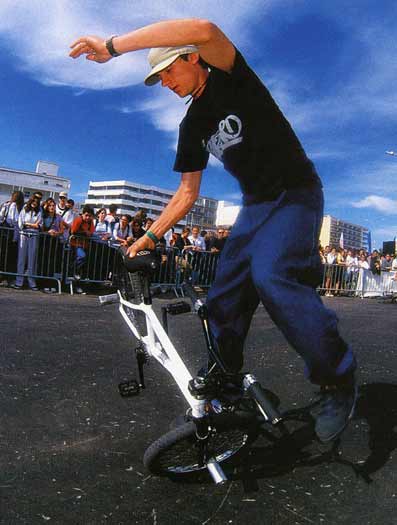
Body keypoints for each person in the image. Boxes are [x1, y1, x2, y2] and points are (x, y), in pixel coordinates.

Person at [70, 18, 357, 443]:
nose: (165, 83)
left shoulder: (230, 77)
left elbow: (204, 27)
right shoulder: (192, 125)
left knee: (272, 277)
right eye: (159, 78)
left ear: (191, 58)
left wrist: (113, 47)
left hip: (296, 194)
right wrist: (147, 237)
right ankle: (225, 381)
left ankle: (337, 380)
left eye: (168, 71)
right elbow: (187, 193)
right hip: (256, 207)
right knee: (223, 295)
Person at [11, 197, 42, 290]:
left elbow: (39, 225)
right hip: (23, 235)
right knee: (21, 259)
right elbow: (21, 223)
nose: (34, 203)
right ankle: (19, 281)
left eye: (37, 202)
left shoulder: (39, 211)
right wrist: (31, 225)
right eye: (33, 201)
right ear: (30, 201)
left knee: (31, 260)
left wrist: (30, 224)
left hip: (34, 236)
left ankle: (31, 282)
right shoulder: (24, 209)